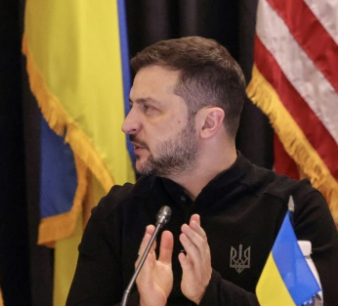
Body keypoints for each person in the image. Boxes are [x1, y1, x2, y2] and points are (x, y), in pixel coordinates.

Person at [66, 37, 338, 306]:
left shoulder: (292, 210)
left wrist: (210, 292)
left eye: (148, 108)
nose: (128, 124)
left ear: (209, 123)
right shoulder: (118, 212)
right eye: (132, 106)